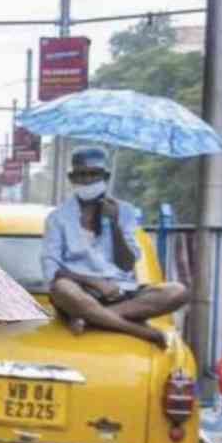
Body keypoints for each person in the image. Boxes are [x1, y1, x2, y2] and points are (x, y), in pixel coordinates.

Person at [42, 146, 189, 347]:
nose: (87, 180)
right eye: (81, 175)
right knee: (61, 288)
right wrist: (95, 282)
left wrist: (114, 223)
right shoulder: (57, 218)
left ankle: (91, 319)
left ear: (105, 176)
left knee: (177, 291)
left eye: (93, 174)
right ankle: (139, 331)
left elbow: (127, 264)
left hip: (121, 293)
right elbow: (52, 271)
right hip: (78, 294)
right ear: (71, 178)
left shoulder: (124, 212)